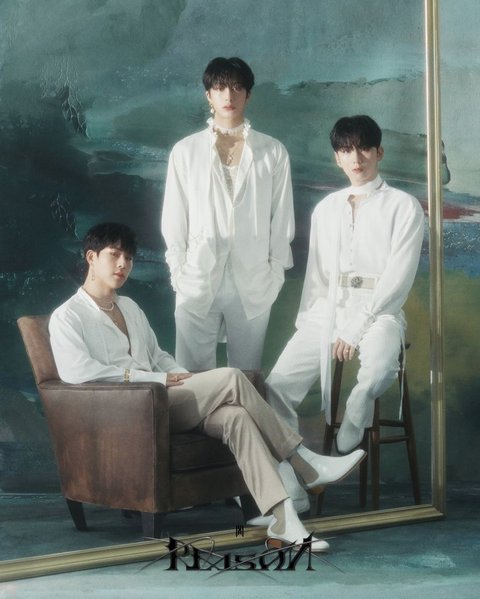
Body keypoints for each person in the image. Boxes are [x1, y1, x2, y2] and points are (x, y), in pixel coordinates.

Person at [49, 222, 366, 552]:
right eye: (114, 255)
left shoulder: (129, 307)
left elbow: (158, 356)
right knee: (231, 377)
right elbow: (77, 372)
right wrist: (156, 379)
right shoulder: (68, 316)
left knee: (235, 417)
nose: (123, 265)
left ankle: (283, 519)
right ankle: (303, 463)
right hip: (128, 414)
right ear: (91, 257)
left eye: (128, 258)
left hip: (164, 402)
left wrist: (185, 379)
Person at [266, 115, 424, 456]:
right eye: (347, 150)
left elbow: (398, 278)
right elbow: (317, 275)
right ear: (337, 158)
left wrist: (356, 326)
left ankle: (356, 410)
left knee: (379, 369)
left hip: (381, 310)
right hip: (328, 310)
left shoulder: (404, 206)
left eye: (364, 148)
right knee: (275, 387)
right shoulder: (325, 209)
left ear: (379, 152)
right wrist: (309, 324)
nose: (356, 158)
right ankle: (295, 466)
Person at [161, 57, 294, 371]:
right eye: (220, 88)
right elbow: (174, 217)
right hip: (197, 276)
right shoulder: (186, 151)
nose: (228, 96)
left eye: (236, 87)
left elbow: (282, 218)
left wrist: (275, 273)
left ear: (248, 94)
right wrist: (179, 271)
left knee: (246, 376)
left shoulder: (273, 151)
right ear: (208, 95)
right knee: (191, 379)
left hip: (254, 279)